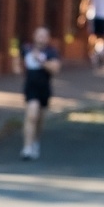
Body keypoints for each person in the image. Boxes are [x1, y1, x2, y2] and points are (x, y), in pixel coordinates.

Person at [21, 25, 61, 160]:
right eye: (39, 35)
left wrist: (42, 61)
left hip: (44, 88)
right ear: (34, 36)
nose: (41, 38)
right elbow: (18, 64)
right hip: (30, 87)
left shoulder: (51, 52)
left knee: (40, 119)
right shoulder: (26, 49)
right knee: (31, 115)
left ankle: (35, 141)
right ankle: (27, 147)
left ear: (47, 38)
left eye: (44, 36)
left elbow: (55, 69)